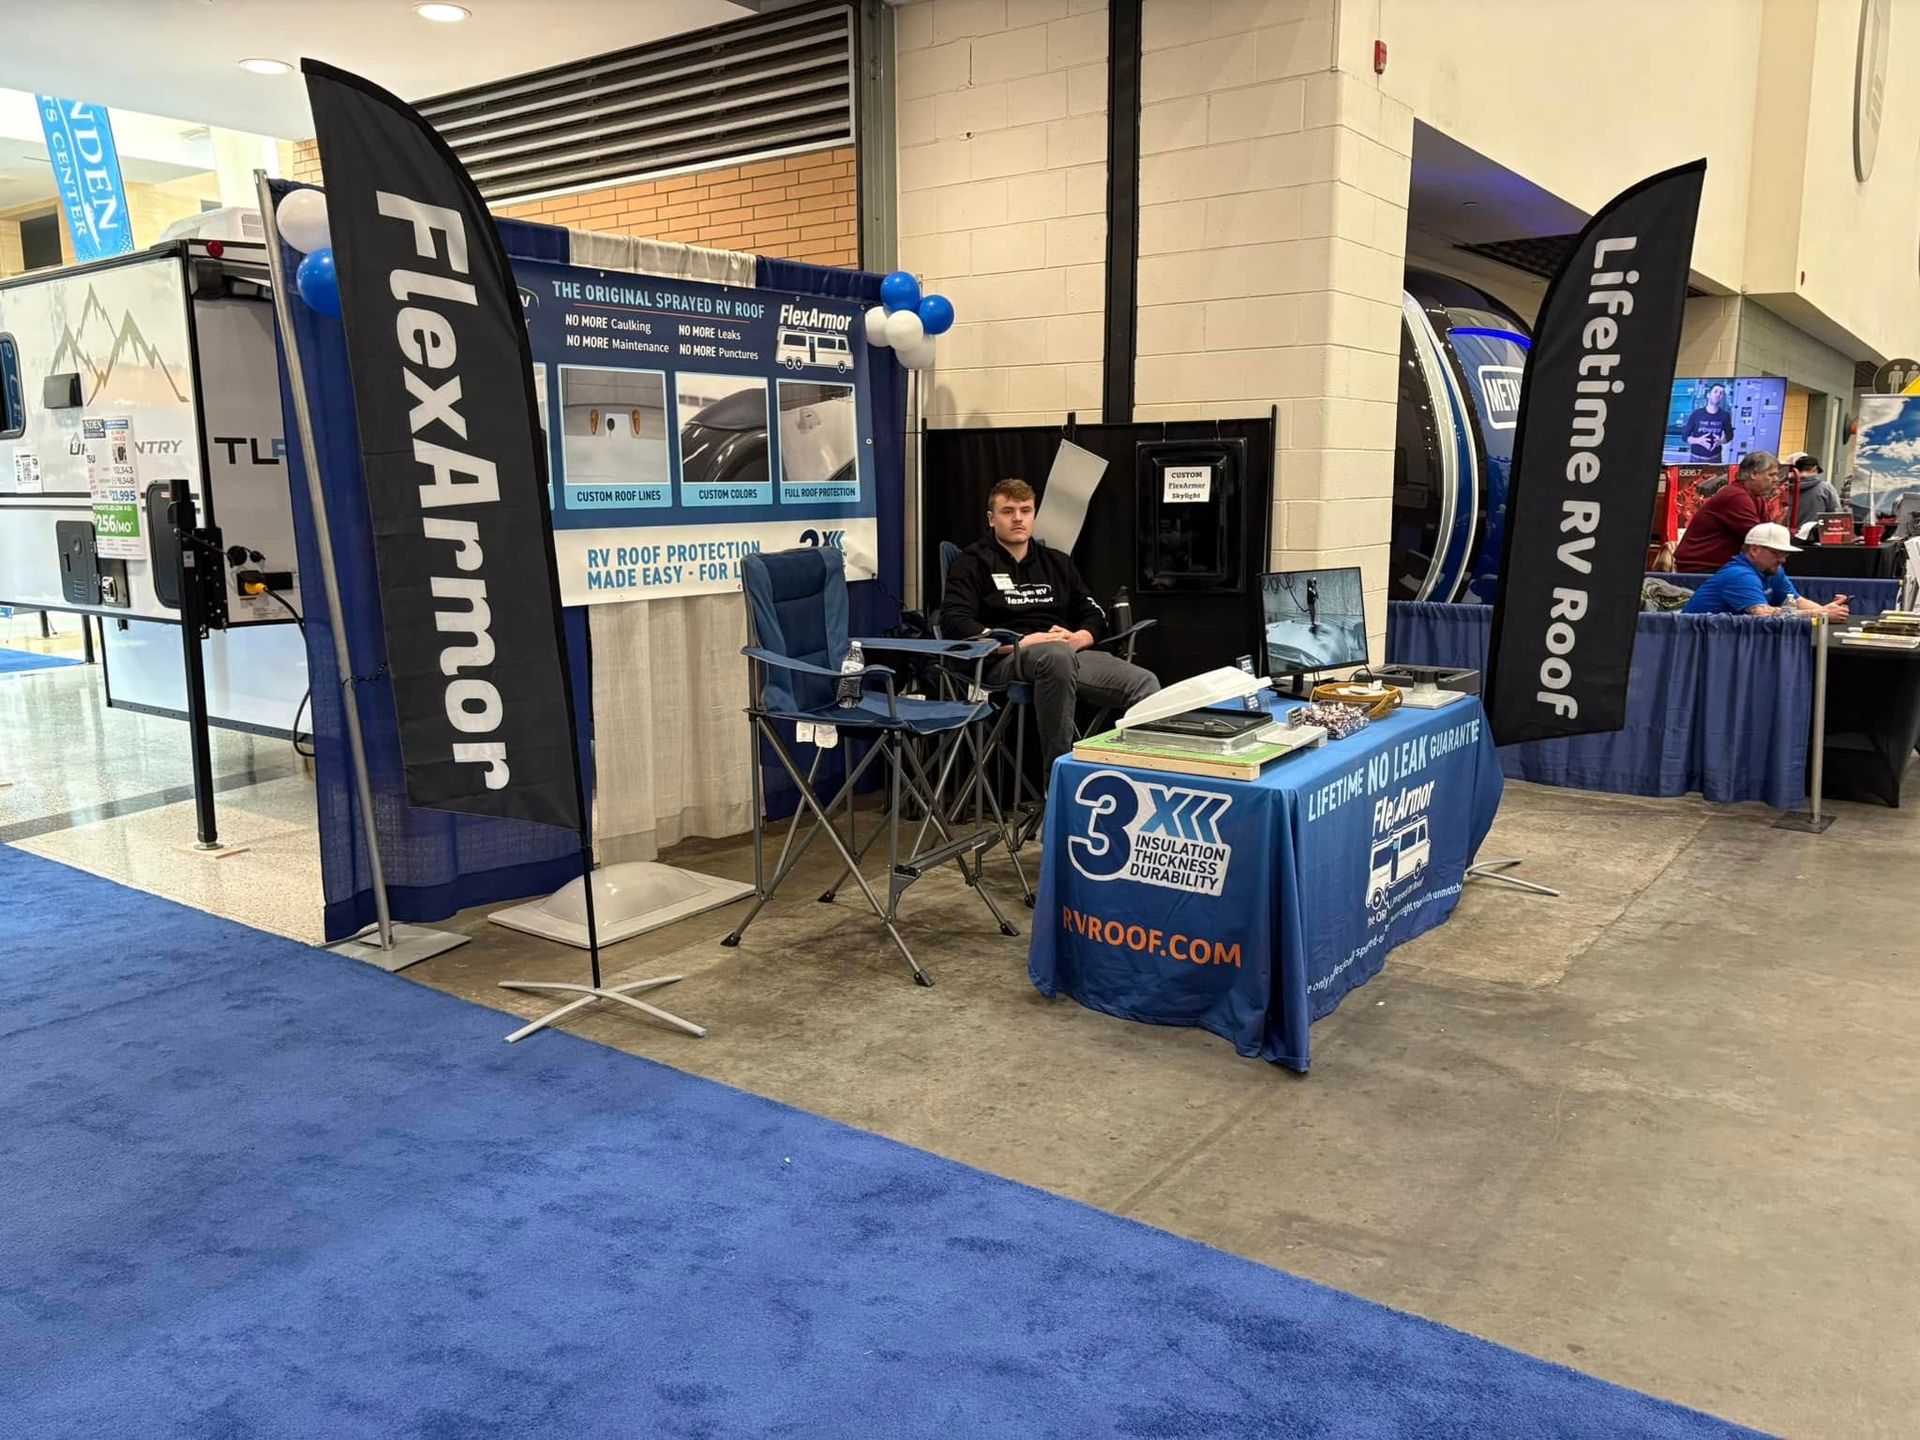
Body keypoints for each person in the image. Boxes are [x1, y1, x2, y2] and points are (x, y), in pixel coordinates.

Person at [941, 478, 1159, 768]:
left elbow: (1093, 613)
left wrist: (1079, 638)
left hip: (1066, 652)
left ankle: (1138, 778)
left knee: (1144, 683)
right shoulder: (971, 562)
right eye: (1008, 511)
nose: (1018, 518)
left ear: (1034, 515)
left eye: (1025, 510)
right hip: (1005, 659)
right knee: (1056, 656)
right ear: (991, 519)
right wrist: (1017, 643)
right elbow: (954, 621)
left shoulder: (1057, 562)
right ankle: (1057, 779)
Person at [1683, 523, 1849, 618]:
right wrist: (1821, 614)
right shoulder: (1740, 575)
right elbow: (1762, 614)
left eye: (1785, 554)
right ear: (1754, 550)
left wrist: (1828, 610)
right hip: (1695, 641)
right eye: (1777, 553)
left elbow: (1796, 600)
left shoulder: (1773, 569)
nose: (1783, 559)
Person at [1673, 450, 1781, 572]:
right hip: (1702, 568)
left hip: (1719, 566)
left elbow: (1767, 533)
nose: (1776, 479)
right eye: (1771, 475)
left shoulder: (1755, 497)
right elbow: (1759, 537)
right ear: (1753, 474)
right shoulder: (1736, 496)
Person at [1783, 451, 1841, 533]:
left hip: (1786, 536)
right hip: (1814, 536)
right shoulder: (1825, 488)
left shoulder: (1785, 488)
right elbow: (1837, 514)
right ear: (1814, 469)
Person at [1679, 383, 1737, 462]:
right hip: (1696, 458)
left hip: (1715, 458)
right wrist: (1698, 441)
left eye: (1721, 393)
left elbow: (1730, 435)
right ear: (1708, 395)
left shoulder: (1725, 416)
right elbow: (1684, 436)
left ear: (1722, 398)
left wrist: (1721, 441)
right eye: (1715, 391)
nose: (1718, 394)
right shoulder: (1696, 414)